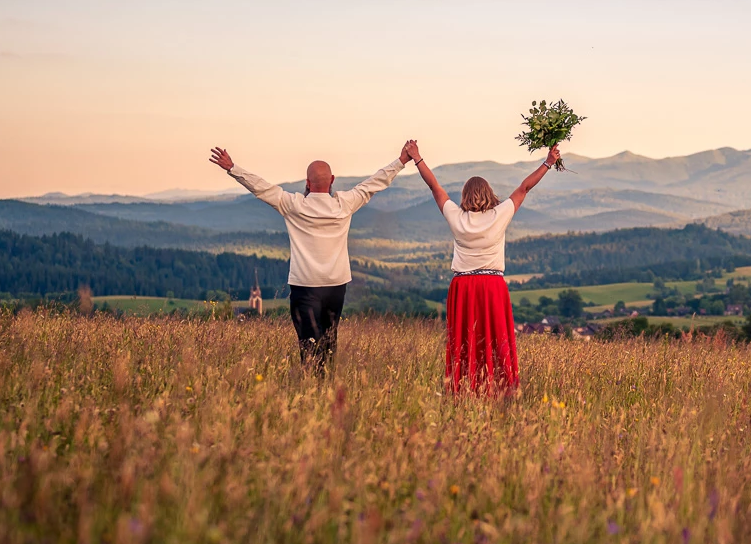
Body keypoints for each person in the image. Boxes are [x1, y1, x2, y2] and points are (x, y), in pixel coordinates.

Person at [209, 141, 415, 374]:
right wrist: (401, 162)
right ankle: (325, 388)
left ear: (307, 183)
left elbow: (261, 188)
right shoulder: (345, 203)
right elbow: (374, 183)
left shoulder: (293, 205)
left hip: (305, 286)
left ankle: (312, 389)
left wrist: (232, 168)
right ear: (332, 180)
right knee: (329, 342)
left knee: (308, 344)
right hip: (336, 286)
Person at [409, 143, 561, 393]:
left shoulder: (456, 217)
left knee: (465, 340)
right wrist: (547, 162)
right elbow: (525, 188)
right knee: (495, 337)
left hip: (463, 287)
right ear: (489, 193)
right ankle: (499, 389)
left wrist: (417, 158)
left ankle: (463, 387)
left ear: (465, 196)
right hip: (492, 286)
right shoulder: (499, 215)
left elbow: (434, 187)